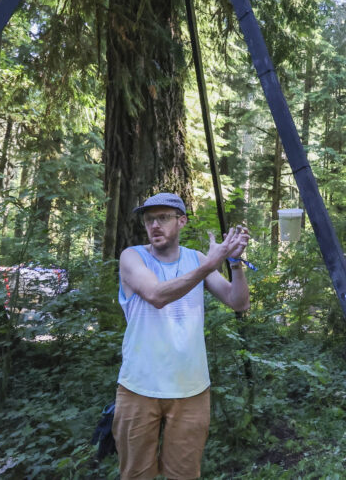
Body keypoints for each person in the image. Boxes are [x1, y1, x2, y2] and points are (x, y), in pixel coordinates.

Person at [112, 192, 251, 480]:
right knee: (136, 474)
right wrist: (208, 265)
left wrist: (235, 263)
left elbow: (238, 303)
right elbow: (155, 295)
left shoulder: (196, 259)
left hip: (191, 389)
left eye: (163, 218)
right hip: (139, 387)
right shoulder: (132, 257)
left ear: (182, 221)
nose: (154, 226)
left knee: (185, 475)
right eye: (149, 220)